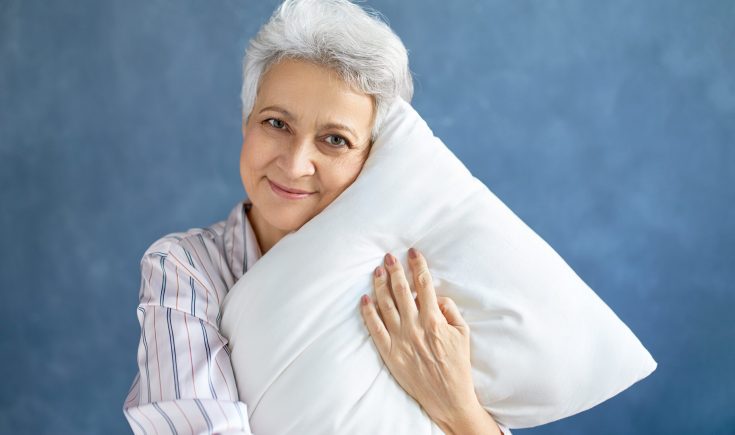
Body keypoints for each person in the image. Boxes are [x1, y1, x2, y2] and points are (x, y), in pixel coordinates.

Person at [123, 1, 510, 434]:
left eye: (334, 139)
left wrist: (459, 409)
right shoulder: (188, 268)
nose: (295, 164)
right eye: (276, 123)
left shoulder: (408, 283)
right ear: (246, 121)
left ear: (373, 158)